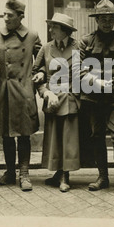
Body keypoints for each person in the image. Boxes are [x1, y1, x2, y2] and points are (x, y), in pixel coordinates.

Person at [79, 0, 114, 198]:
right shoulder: (86, 41)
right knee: (97, 136)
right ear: (97, 20)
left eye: (110, 19)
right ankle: (103, 177)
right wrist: (96, 81)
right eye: (103, 19)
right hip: (94, 98)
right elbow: (79, 70)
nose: (107, 23)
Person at [0, 0, 42, 192]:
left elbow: (41, 61)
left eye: (10, 15)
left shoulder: (32, 36)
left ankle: (25, 174)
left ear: (20, 17)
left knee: (24, 134)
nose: (5, 18)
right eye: (4, 14)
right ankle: (10, 172)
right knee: (6, 134)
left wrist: (40, 73)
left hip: (24, 91)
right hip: (2, 91)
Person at [32, 13, 81, 192]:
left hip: (69, 99)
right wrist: (45, 92)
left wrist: (74, 94)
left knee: (68, 139)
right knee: (54, 138)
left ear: (65, 30)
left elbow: (82, 74)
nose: (51, 30)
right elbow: (36, 73)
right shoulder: (45, 48)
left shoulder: (78, 48)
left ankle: (65, 177)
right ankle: (57, 172)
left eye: (54, 27)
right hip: (52, 100)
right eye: (51, 26)